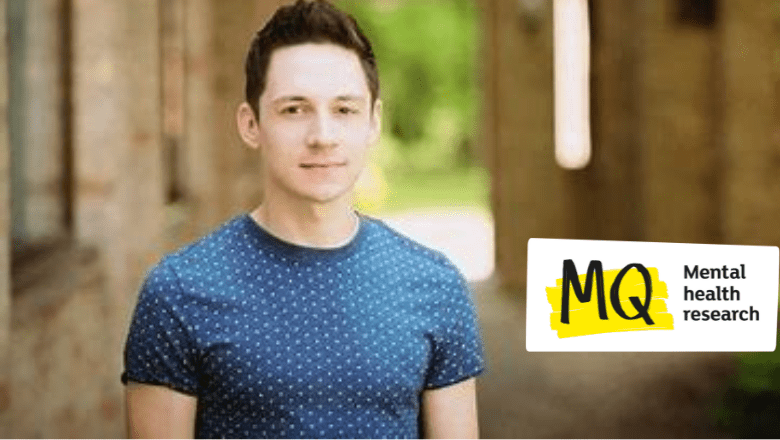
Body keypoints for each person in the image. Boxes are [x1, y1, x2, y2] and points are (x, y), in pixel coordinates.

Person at [121, 0, 484, 437]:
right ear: (251, 123)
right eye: (294, 109)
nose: (322, 137)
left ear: (373, 122)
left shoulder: (436, 285)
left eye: (344, 110)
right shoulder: (178, 292)